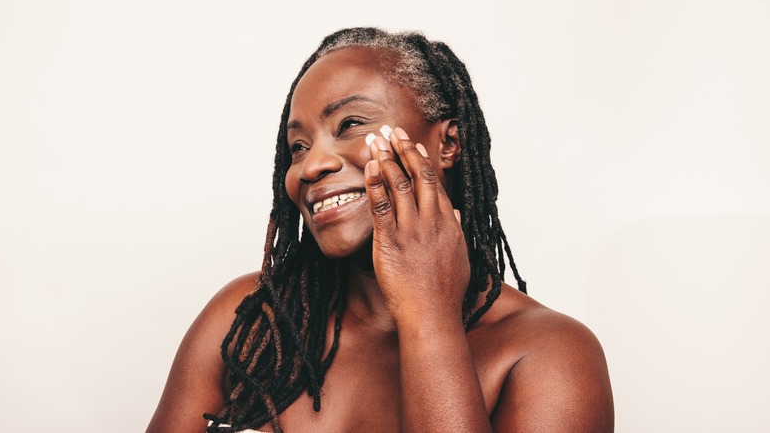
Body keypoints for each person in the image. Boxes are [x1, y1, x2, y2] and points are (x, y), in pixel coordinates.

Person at [147, 27, 614, 433]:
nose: (311, 166)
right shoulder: (251, 320)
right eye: (297, 147)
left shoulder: (547, 354)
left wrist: (429, 316)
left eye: (350, 124)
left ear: (447, 143)